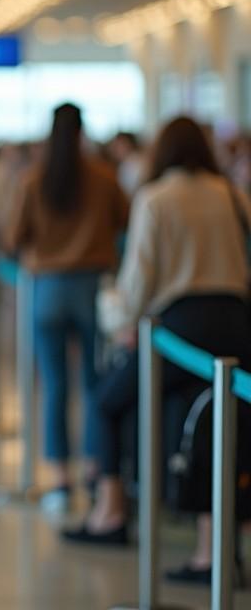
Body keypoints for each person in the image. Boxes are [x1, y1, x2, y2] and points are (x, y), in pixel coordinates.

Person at [64, 117, 251, 585]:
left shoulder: (157, 198)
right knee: (216, 428)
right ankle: (217, 551)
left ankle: (109, 514)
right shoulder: (232, 194)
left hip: (182, 326)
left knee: (107, 402)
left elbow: (138, 281)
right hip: (236, 323)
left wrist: (120, 317)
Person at [2, 104, 129, 512]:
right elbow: (125, 222)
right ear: (83, 131)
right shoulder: (105, 178)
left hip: (47, 288)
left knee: (55, 385)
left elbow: (14, 236)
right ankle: (95, 469)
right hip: (93, 287)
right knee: (94, 384)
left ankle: (59, 480)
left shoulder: (33, 179)